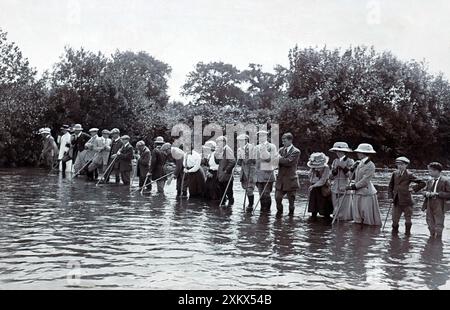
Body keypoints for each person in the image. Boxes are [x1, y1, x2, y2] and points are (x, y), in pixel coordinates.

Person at [388, 156, 426, 235]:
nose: (400, 166)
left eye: (402, 164)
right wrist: (390, 197)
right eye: (398, 164)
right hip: (396, 200)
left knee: (408, 220)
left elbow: (422, 183)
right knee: (394, 220)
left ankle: (407, 235)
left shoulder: (409, 174)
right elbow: (390, 186)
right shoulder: (394, 173)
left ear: (406, 165)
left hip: (407, 200)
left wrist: (413, 189)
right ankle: (394, 236)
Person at [346, 143, 382, 226]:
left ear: (363, 153)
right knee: (357, 217)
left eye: (359, 152)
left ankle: (367, 236)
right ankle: (358, 236)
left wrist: (353, 187)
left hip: (366, 193)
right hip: (357, 193)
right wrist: (352, 169)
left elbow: (365, 181)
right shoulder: (359, 163)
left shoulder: (371, 165)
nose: (357, 154)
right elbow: (351, 177)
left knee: (366, 217)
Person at [421, 162, 450, 239]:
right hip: (429, 203)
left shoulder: (445, 181)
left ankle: (438, 240)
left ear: (437, 171)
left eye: (430, 171)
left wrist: (437, 194)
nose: (429, 172)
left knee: (439, 223)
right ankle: (432, 238)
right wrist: (425, 193)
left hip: (440, 204)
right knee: (429, 221)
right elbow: (423, 191)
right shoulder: (429, 181)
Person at [275, 133, 301, 217]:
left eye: (285, 141)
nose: (283, 143)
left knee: (291, 202)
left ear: (290, 140)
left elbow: (288, 162)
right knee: (277, 198)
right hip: (280, 180)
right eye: (282, 141)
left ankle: (291, 219)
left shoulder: (296, 151)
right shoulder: (280, 150)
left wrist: (278, 158)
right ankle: (279, 216)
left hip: (291, 180)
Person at [329, 142, 355, 221]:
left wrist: (344, 167)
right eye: (337, 151)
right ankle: (336, 229)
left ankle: (343, 229)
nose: (338, 153)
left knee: (344, 212)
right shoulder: (335, 161)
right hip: (335, 187)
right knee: (336, 210)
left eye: (340, 151)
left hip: (344, 187)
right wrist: (334, 171)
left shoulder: (350, 161)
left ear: (344, 152)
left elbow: (351, 176)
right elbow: (331, 177)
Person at [255, 130, 278, 212]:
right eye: (260, 136)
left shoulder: (272, 147)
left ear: (266, 137)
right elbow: (255, 161)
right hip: (258, 175)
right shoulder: (256, 147)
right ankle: (262, 211)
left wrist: (264, 151)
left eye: (263, 136)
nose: (261, 137)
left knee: (266, 194)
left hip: (268, 174)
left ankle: (267, 212)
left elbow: (271, 160)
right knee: (261, 195)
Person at [307, 152, 333, 220]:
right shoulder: (312, 168)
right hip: (314, 187)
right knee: (313, 207)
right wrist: (313, 172)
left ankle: (326, 218)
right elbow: (310, 177)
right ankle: (313, 218)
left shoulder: (326, 168)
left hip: (323, 187)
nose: (316, 167)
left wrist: (314, 185)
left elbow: (323, 180)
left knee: (324, 206)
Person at [237, 134, 257, 212]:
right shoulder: (239, 149)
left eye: (242, 140)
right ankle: (249, 204)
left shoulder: (252, 148)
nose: (240, 142)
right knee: (245, 188)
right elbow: (239, 163)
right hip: (244, 172)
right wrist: (239, 159)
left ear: (246, 140)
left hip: (251, 171)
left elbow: (255, 160)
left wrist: (249, 157)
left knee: (249, 189)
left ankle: (250, 205)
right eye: (239, 141)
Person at [215, 136, 236, 207]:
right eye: (217, 142)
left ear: (224, 142)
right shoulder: (221, 150)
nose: (218, 144)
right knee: (222, 193)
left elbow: (232, 161)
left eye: (219, 142)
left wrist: (226, 170)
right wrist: (216, 154)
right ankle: (223, 209)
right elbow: (217, 162)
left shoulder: (227, 149)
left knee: (229, 193)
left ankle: (230, 209)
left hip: (227, 176)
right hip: (221, 175)